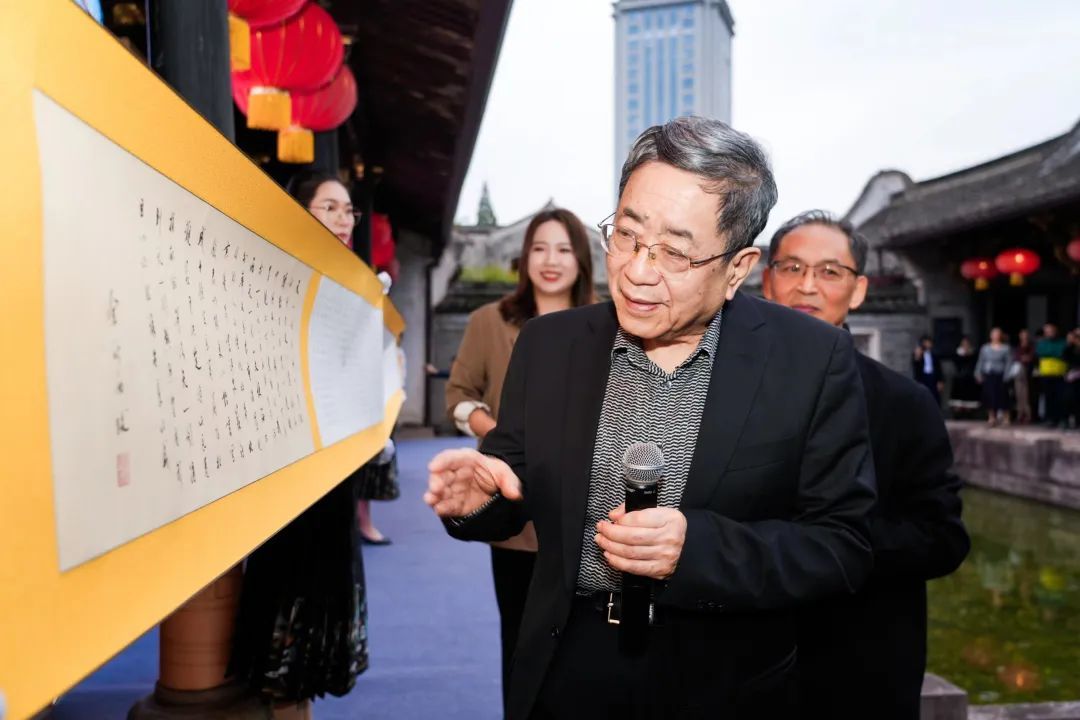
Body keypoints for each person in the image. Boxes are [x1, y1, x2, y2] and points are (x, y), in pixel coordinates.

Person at [425, 117, 877, 719]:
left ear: (738, 267)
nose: (638, 270)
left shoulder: (811, 361)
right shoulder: (549, 345)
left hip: (724, 681)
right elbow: (516, 488)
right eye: (627, 236)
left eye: (676, 253)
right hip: (567, 665)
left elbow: (845, 545)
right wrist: (478, 501)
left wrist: (698, 548)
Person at [761, 210, 970, 720]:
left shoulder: (903, 403)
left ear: (857, 290)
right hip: (742, 661)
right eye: (791, 268)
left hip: (860, 660)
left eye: (830, 272)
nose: (807, 285)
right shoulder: (714, 387)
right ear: (765, 281)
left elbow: (942, 538)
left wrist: (832, 538)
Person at [230, 171, 371, 712]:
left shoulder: (353, 284)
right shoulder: (273, 276)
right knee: (284, 579)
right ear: (300, 211)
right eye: (329, 207)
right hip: (286, 460)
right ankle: (281, 691)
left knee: (323, 583)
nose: (342, 219)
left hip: (337, 460)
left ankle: (298, 696)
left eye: (348, 210)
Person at [445, 207, 596, 706]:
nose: (550, 260)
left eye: (562, 249)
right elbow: (459, 398)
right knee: (521, 641)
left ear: (581, 260)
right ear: (523, 258)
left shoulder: (610, 323)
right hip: (511, 503)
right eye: (538, 248)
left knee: (587, 650)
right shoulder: (489, 321)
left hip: (591, 512)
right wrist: (508, 433)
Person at [975, 328, 1013, 427]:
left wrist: (1007, 375)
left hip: (1000, 374)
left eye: (997, 334)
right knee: (989, 396)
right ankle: (991, 417)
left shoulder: (1005, 348)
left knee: (1003, 396)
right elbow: (981, 361)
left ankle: (1006, 417)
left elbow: (1009, 363)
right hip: (988, 373)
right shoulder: (985, 348)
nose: (995, 336)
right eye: (993, 334)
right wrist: (978, 373)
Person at [1037, 323, 1068, 428]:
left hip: (1060, 374)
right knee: (1048, 398)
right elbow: (1041, 352)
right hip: (1046, 374)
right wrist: (1054, 352)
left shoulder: (1062, 342)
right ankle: (1050, 419)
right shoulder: (1041, 343)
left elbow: (1061, 352)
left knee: (1061, 398)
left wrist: (1052, 352)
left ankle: (1062, 419)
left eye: (1052, 331)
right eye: (1048, 331)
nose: (1050, 333)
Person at [950, 336, 980, 418]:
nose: (965, 345)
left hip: (969, 378)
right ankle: (957, 415)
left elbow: (974, 364)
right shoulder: (957, 353)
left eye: (967, 343)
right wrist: (963, 355)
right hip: (960, 378)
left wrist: (969, 354)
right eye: (964, 343)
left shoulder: (974, 353)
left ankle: (969, 415)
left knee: (969, 400)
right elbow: (956, 364)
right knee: (958, 400)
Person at [912, 334, 944, 407]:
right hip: (923, 377)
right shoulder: (918, 353)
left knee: (934, 396)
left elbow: (939, 369)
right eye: (926, 343)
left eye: (929, 343)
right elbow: (915, 367)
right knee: (923, 395)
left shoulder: (934, 354)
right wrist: (917, 356)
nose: (927, 344)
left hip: (933, 377)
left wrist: (940, 380)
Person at [1014, 329, 1035, 424]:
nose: (1024, 337)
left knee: (1027, 395)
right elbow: (1016, 357)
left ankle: (1028, 415)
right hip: (1019, 374)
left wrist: (1027, 358)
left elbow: (1032, 357)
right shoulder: (1018, 347)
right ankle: (1020, 414)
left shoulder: (1032, 347)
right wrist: (1023, 358)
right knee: (1019, 394)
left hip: (1029, 374)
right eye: (1022, 335)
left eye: (1026, 335)